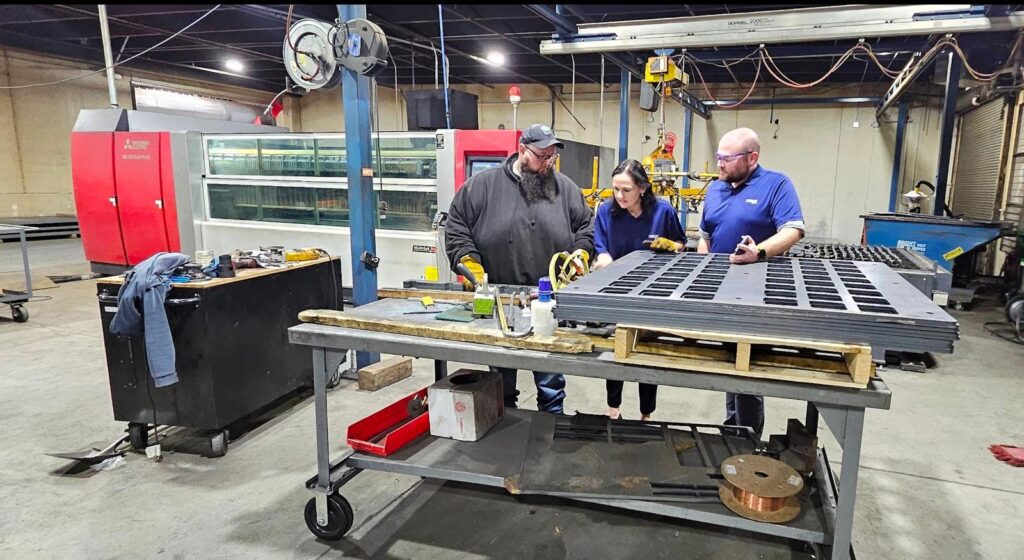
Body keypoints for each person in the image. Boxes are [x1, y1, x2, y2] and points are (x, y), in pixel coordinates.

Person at [445, 124, 595, 414]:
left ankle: (551, 424)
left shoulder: (565, 189)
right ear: (522, 151)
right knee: (500, 382)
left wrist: (581, 253)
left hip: (548, 302)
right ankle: (506, 423)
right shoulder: (482, 186)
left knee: (550, 382)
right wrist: (469, 260)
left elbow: (586, 228)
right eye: (542, 156)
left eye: (552, 157)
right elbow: (457, 226)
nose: (548, 163)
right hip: (501, 302)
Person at [698, 127, 805, 437]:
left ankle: (746, 438)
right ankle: (734, 430)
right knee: (730, 364)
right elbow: (705, 235)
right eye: (718, 157)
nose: (719, 164)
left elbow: (793, 230)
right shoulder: (715, 188)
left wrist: (758, 252)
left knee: (747, 370)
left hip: (755, 296)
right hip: (720, 293)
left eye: (727, 158)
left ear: (752, 158)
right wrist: (703, 268)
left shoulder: (777, 185)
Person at [592, 159, 686, 420]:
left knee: (646, 353)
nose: (620, 196)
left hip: (651, 293)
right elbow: (600, 245)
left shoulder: (663, 211)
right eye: (616, 189)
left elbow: (681, 243)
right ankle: (613, 408)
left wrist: (672, 246)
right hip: (617, 291)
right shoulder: (606, 211)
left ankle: (647, 413)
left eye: (626, 190)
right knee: (616, 351)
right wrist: (603, 257)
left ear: (642, 188)